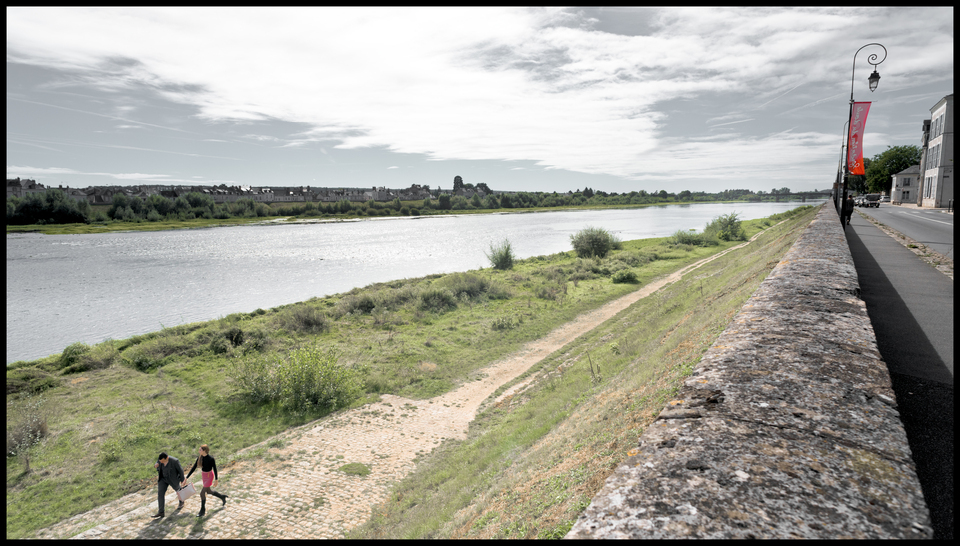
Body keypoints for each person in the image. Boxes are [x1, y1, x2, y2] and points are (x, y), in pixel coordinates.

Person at [183, 444, 228, 518]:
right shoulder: (200, 458)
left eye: (200, 450)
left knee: (202, 493)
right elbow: (194, 467)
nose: (198, 451)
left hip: (209, 476)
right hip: (204, 475)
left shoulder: (211, 458)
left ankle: (202, 510)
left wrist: (216, 480)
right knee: (209, 491)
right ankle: (222, 497)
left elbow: (215, 469)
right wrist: (186, 478)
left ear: (204, 451)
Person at [152, 452, 185, 518]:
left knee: (178, 490)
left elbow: (180, 470)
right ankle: (161, 512)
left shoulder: (175, 461)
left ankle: (181, 501)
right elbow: (157, 462)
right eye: (160, 460)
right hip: (163, 479)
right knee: (160, 494)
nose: (161, 462)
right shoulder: (160, 460)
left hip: (172, 479)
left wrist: (182, 480)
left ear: (167, 458)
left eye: (162, 461)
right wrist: (156, 465)